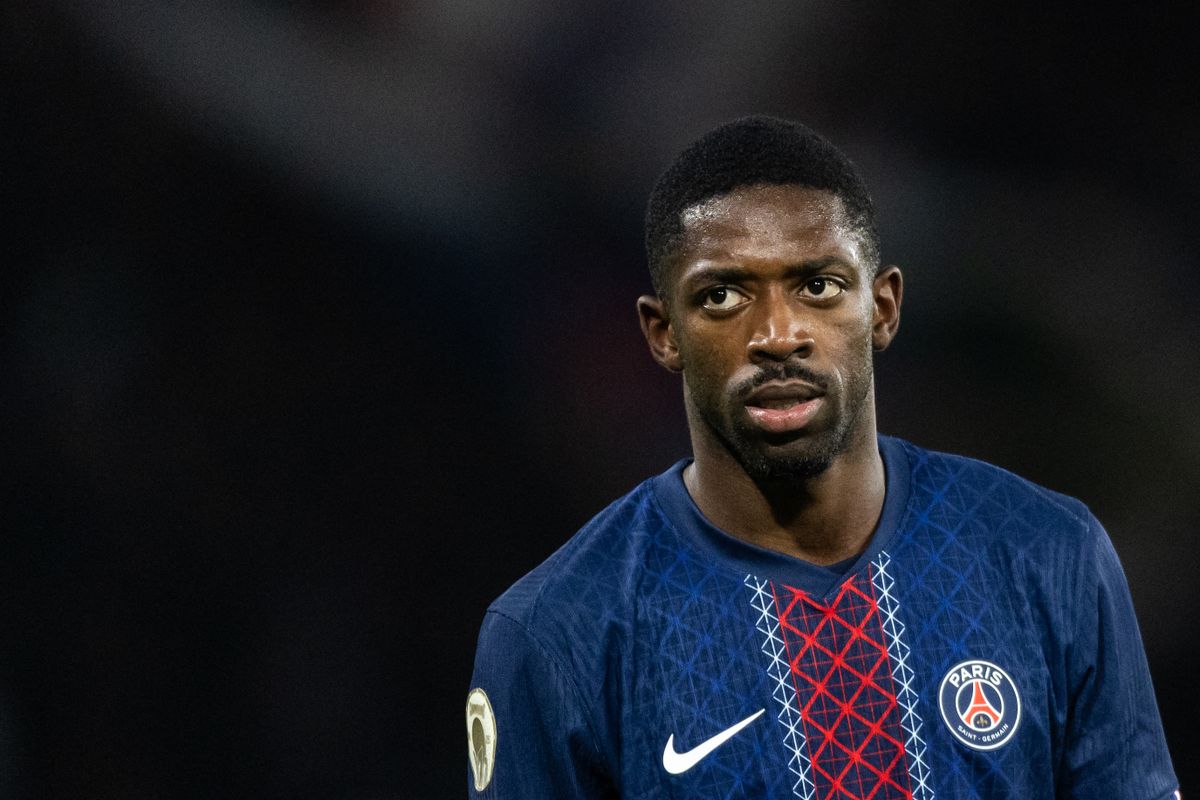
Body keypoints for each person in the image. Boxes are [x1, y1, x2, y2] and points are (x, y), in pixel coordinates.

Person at [465, 116, 1178, 799]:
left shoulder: (1049, 555)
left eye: (817, 287)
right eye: (722, 295)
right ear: (663, 333)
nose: (778, 334)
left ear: (883, 308)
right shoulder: (558, 633)